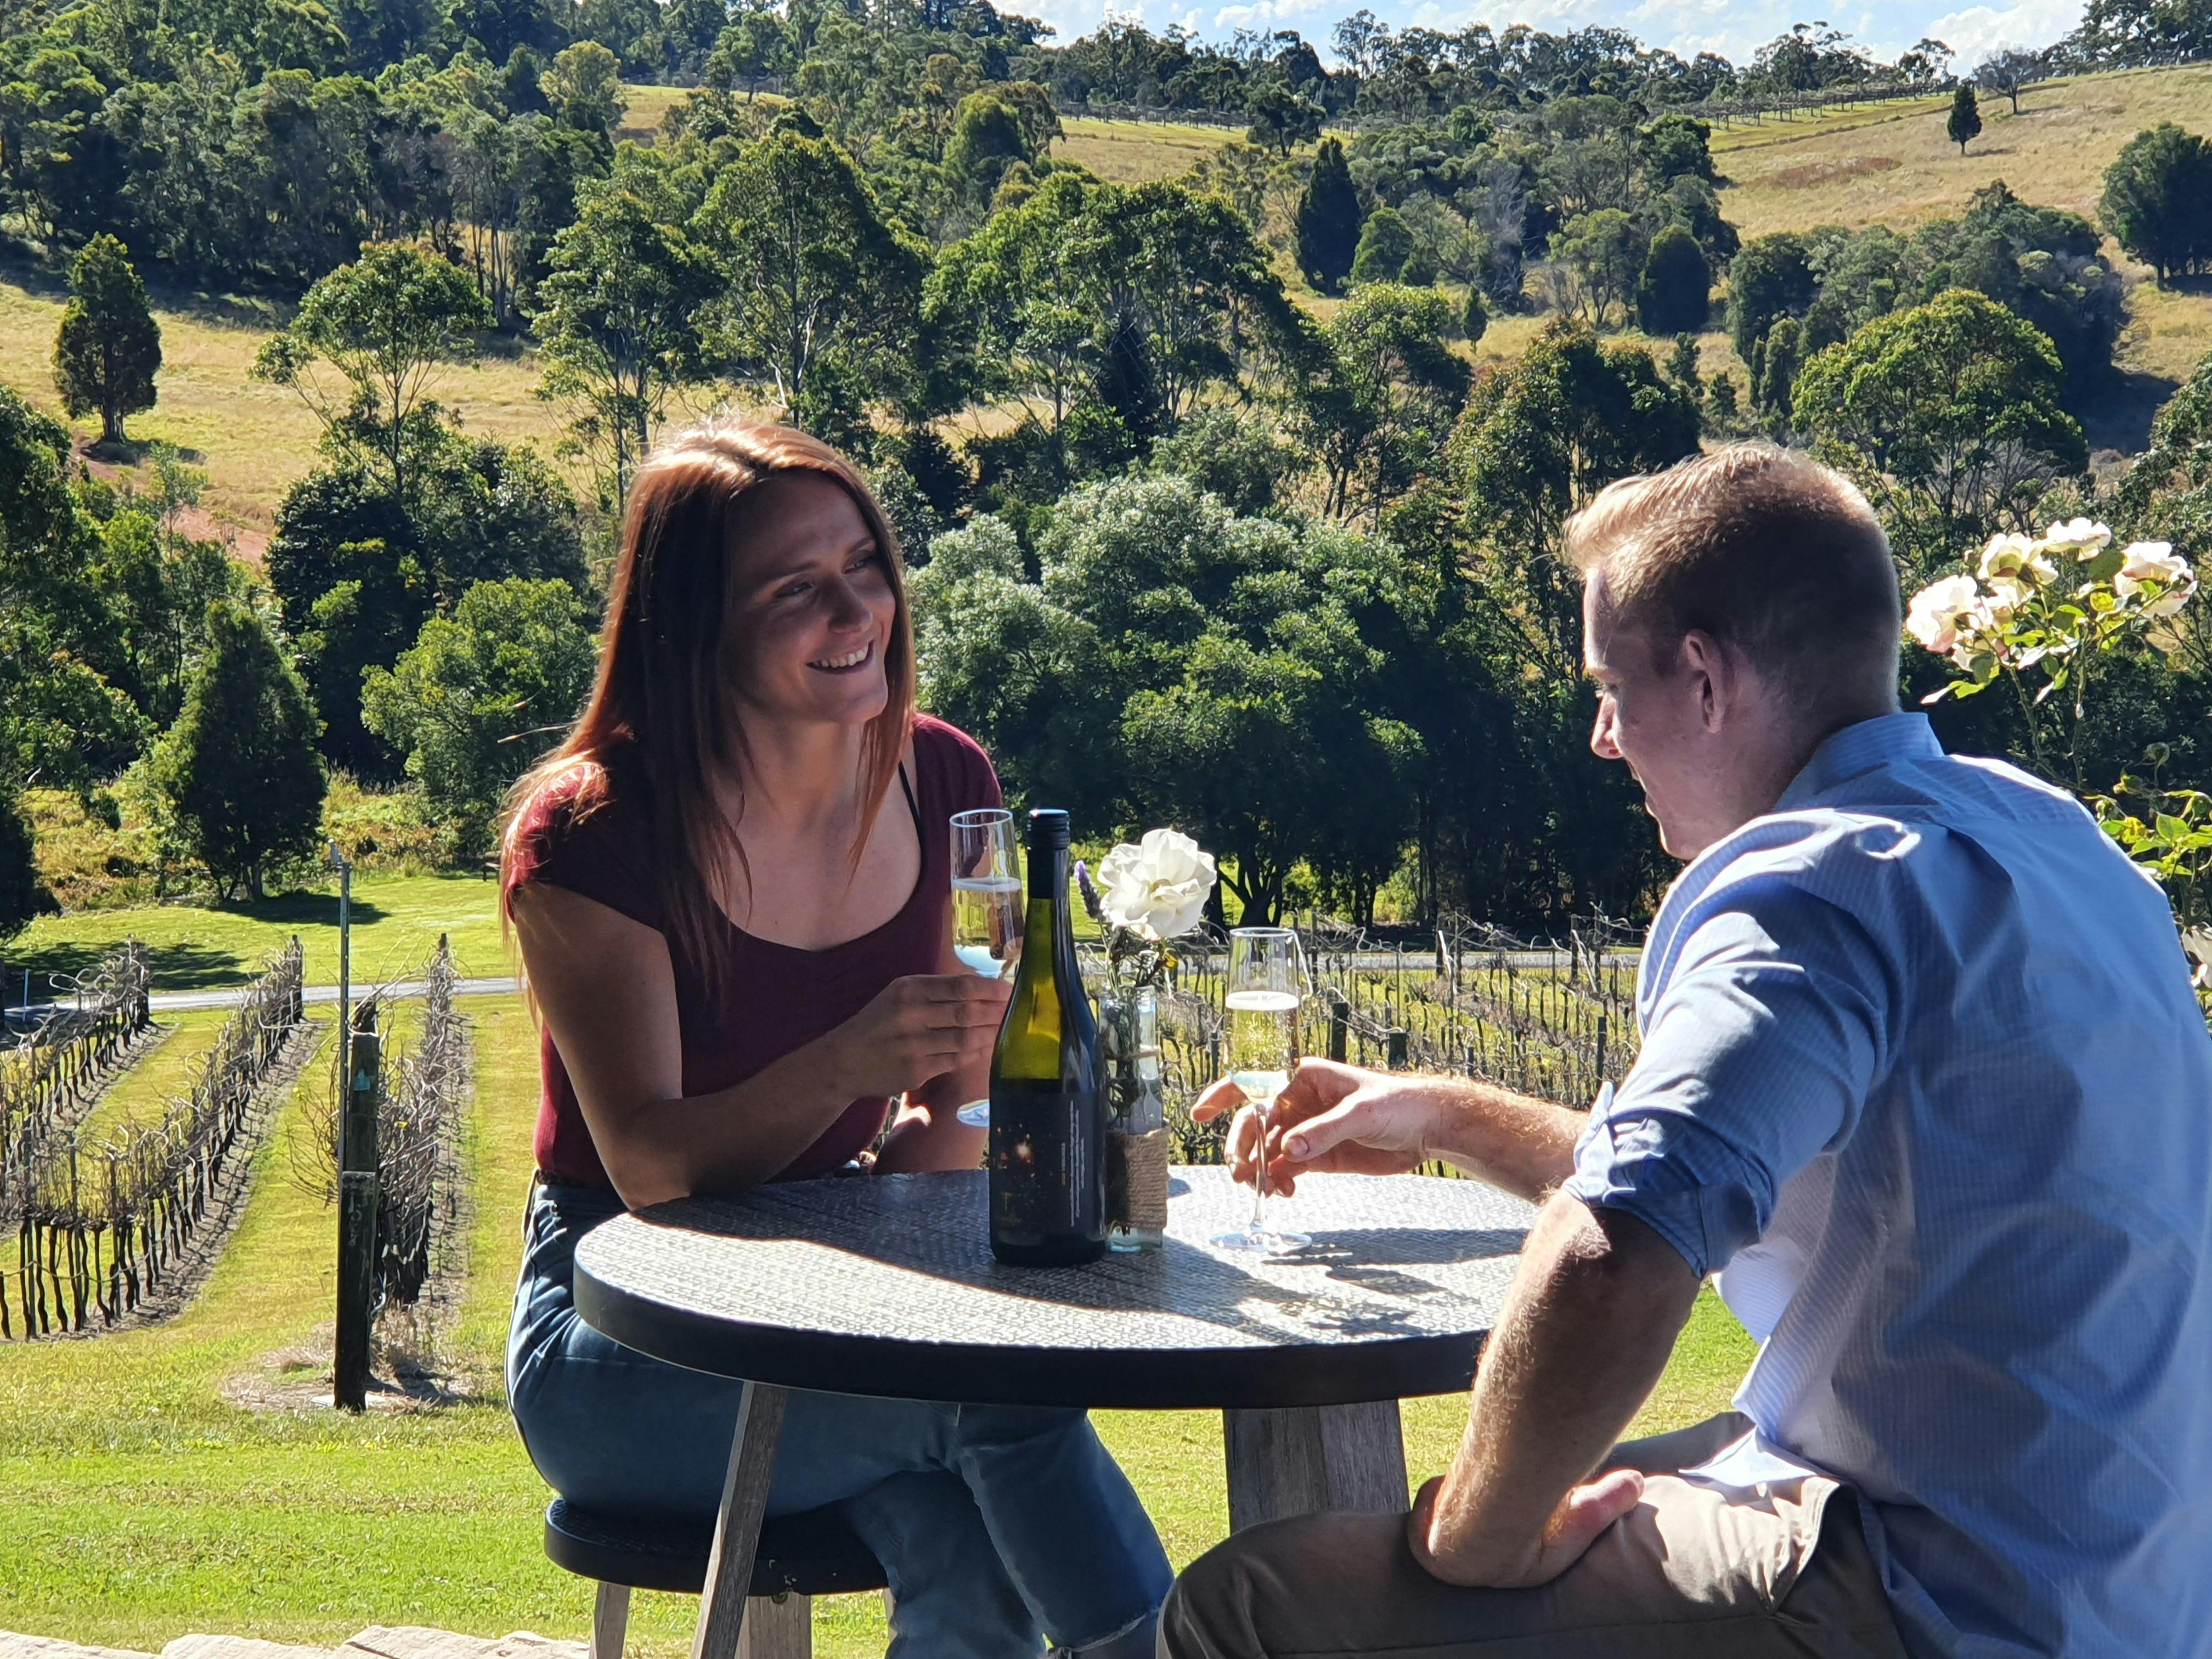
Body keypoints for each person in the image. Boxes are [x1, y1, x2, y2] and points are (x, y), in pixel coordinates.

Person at [1166, 444, 2212, 1659]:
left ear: (1707, 681)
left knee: (1247, 1608)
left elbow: (1615, 1253)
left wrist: (1476, 1541)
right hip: (2130, 1583)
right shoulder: (2056, 847)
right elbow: (1717, 1180)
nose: (1605, 739)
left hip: (1938, 1590)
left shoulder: (1808, 894)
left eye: (1612, 688)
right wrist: (1443, 1115)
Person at [499, 420, 1171, 1659]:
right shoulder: (593, 836)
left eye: (864, 564)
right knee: (989, 1396)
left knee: (963, 1517)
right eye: (796, 588)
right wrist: (848, 1064)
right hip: (624, 1340)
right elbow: (649, 1169)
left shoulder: (943, 781)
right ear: (694, 623)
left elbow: (949, 1130)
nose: (855, 608)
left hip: (838, 1307)